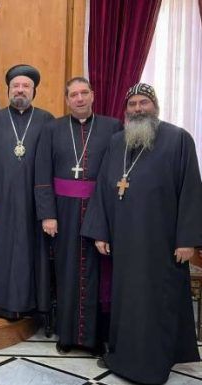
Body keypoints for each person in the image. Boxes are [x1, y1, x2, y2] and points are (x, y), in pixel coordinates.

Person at [81, 83, 202, 384]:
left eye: (143, 103)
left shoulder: (178, 139)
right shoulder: (118, 141)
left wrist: (187, 240)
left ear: (154, 105)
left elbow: (191, 191)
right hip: (124, 239)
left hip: (161, 241)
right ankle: (124, 356)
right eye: (132, 104)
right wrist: (100, 232)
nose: (137, 109)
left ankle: (153, 365)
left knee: (158, 300)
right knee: (127, 300)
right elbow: (104, 189)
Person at [34, 77, 121, 355]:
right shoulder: (52, 128)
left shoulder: (111, 127)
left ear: (93, 96)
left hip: (100, 208)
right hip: (63, 210)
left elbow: (118, 172)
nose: (80, 99)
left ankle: (95, 338)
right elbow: (42, 174)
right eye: (74, 95)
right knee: (66, 269)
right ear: (67, 99)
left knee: (98, 273)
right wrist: (48, 214)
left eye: (84, 93)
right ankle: (67, 335)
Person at [0, 64, 54, 320]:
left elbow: (51, 161)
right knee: (0, 250)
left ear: (34, 91)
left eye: (25, 86)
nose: (20, 90)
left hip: (33, 201)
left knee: (31, 251)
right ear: (8, 90)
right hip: (0, 201)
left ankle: (29, 304)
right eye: (15, 86)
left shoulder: (46, 120)